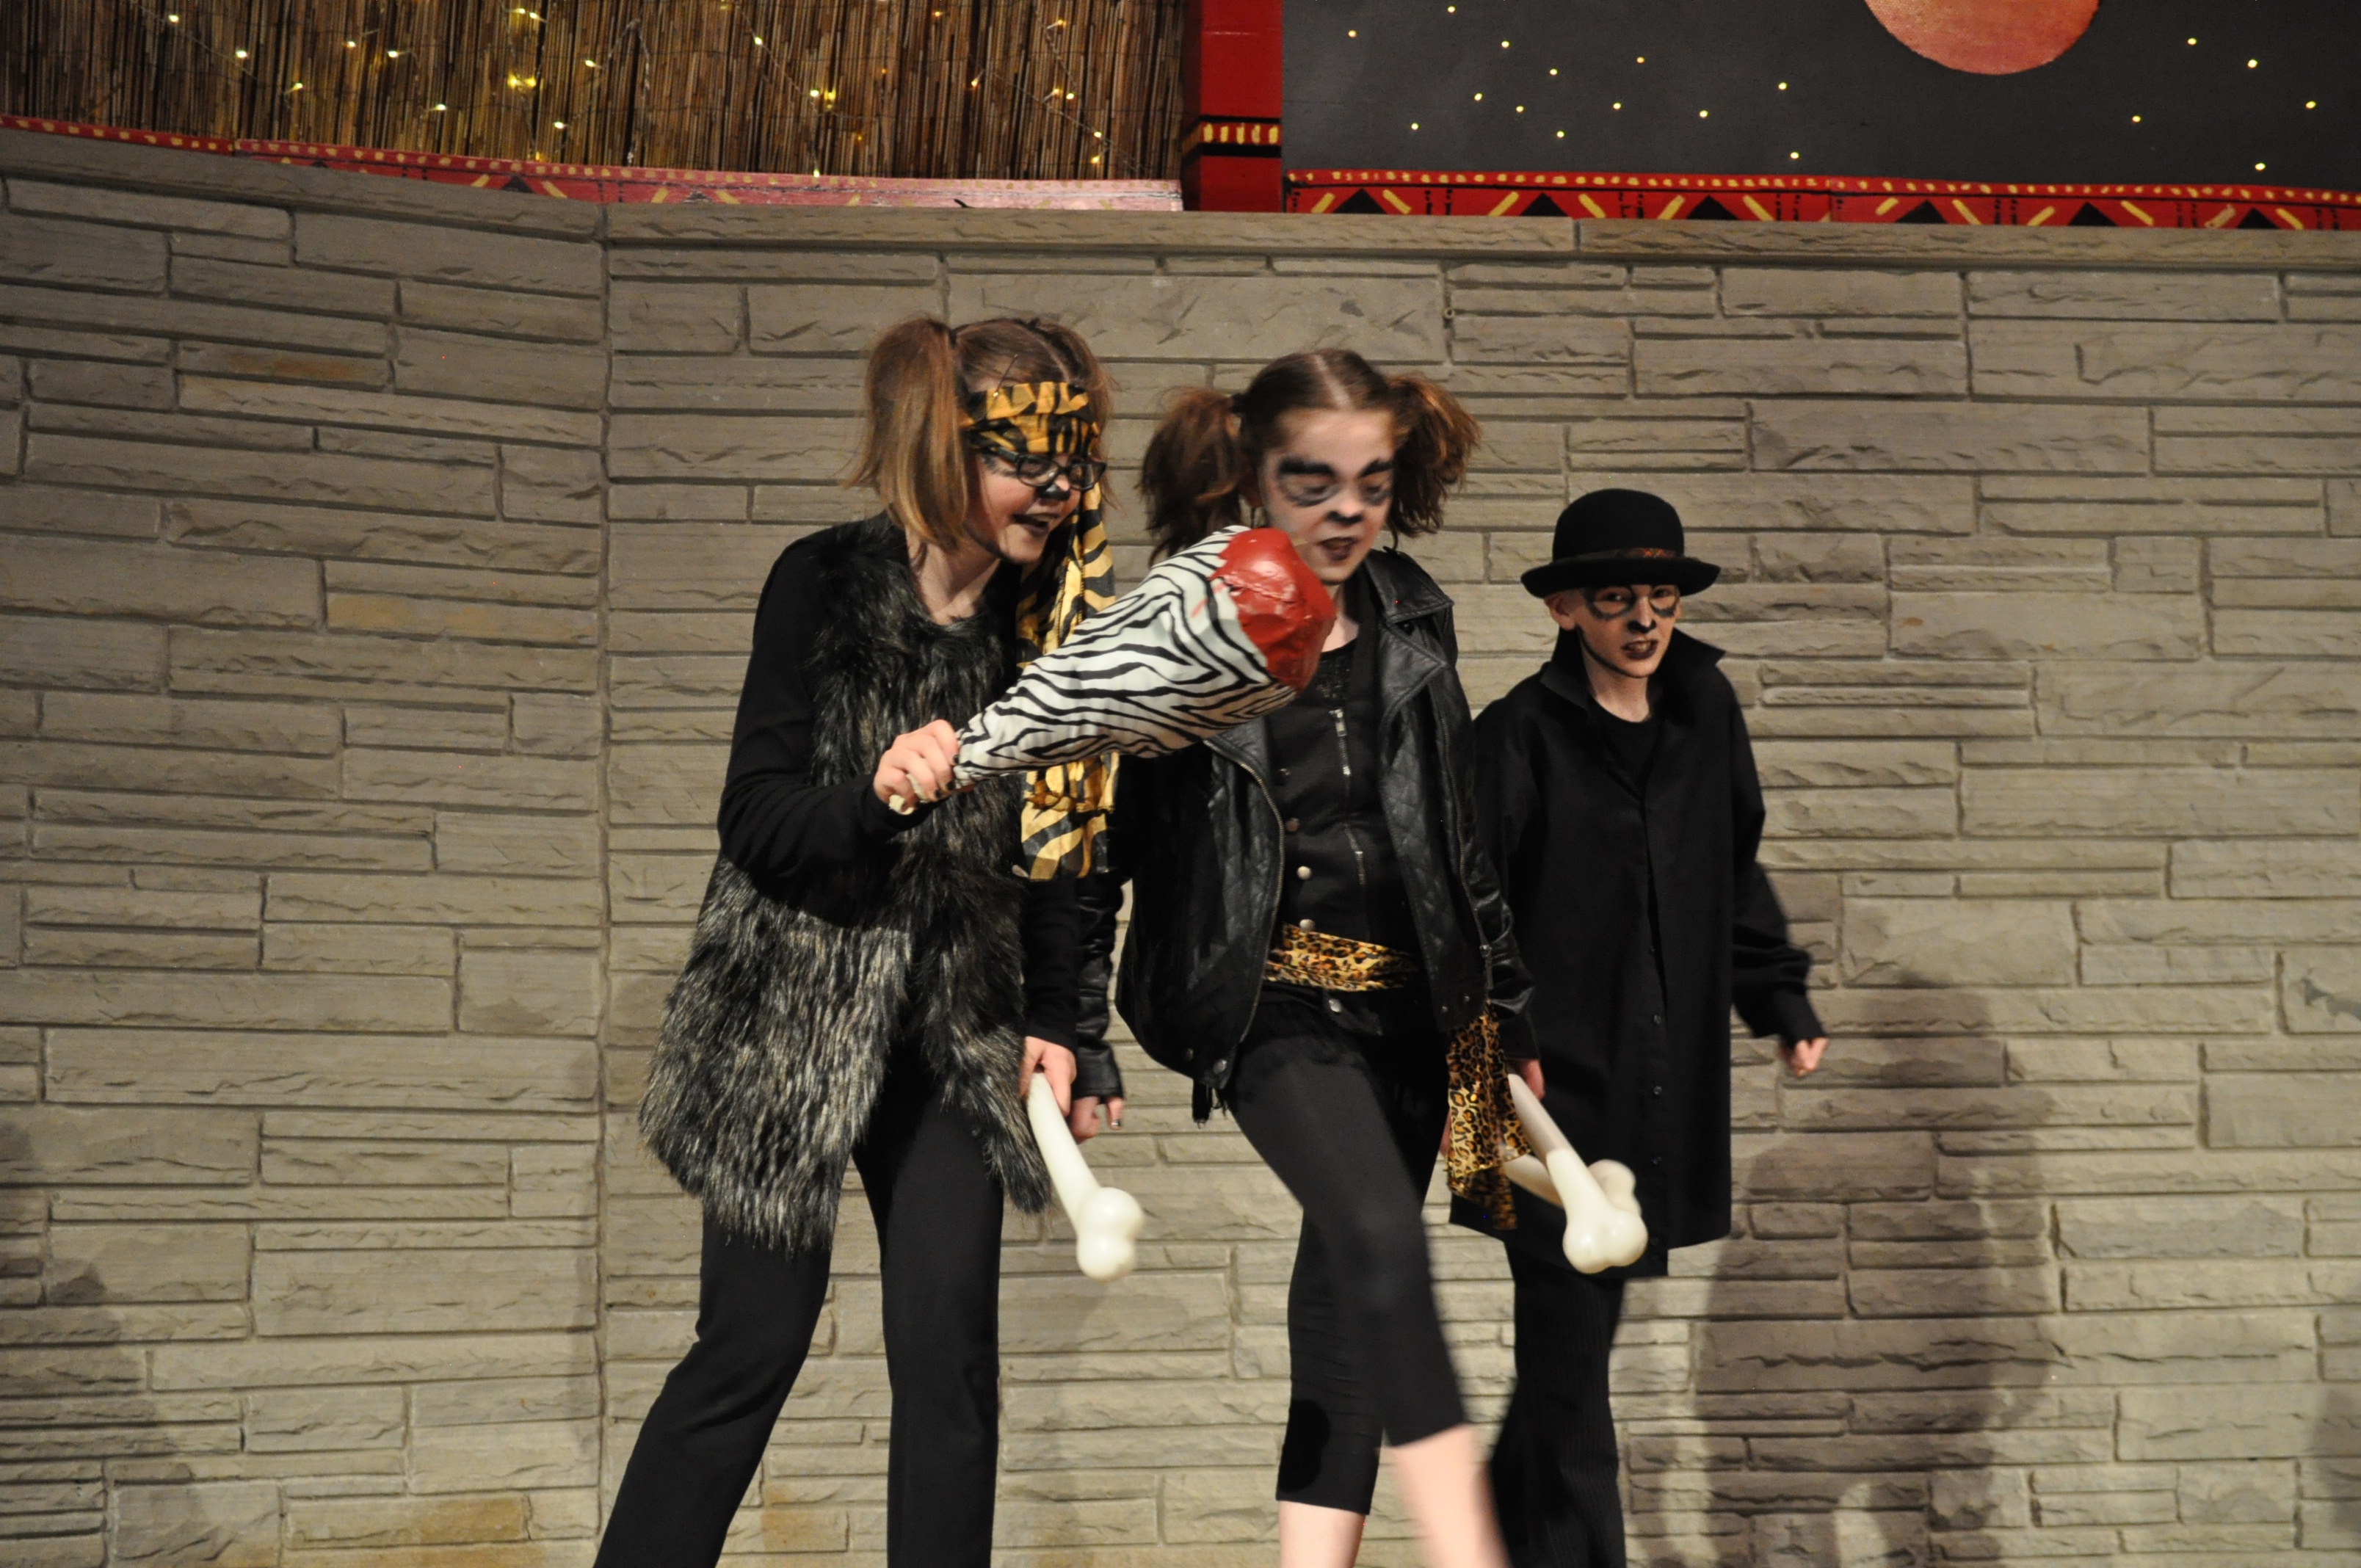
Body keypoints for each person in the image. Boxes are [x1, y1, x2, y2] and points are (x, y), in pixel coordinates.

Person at [599, 316, 1126, 1568]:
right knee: (751, 1346)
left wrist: (1071, 1026)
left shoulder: (1060, 627)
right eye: (1027, 461)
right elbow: (757, 821)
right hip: (787, 1015)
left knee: (950, 1365)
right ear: (946, 446)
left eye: (1074, 461)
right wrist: (879, 797)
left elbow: (1074, 858)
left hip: (955, 1033)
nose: (1058, 490)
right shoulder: (825, 582)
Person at [1096, 348, 1534, 1568]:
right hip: (1274, 1006)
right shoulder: (1184, 630)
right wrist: (1068, 1025)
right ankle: (1469, 1548)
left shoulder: (1413, 617)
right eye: (1312, 481)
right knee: (1383, 1243)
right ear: (1250, 473)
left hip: (1419, 1014)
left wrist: (1503, 1022)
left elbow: (1458, 840)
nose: (1347, 511)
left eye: (1371, 485)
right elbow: (1101, 849)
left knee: (1346, 1306)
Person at [1462, 487, 1831, 1568]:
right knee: (1572, 1364)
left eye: (1660, 598)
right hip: (1534, 1092)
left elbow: (1732, 866)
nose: (1643, 619)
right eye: (1616, 598)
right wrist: (1493, 1055)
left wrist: (1779, 999)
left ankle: (1483, 1533)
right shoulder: (1514, 736)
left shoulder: (1704, 713)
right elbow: (1464, 912)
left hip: (1654, 1081)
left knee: (1568, 1357)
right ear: (1565, 609)